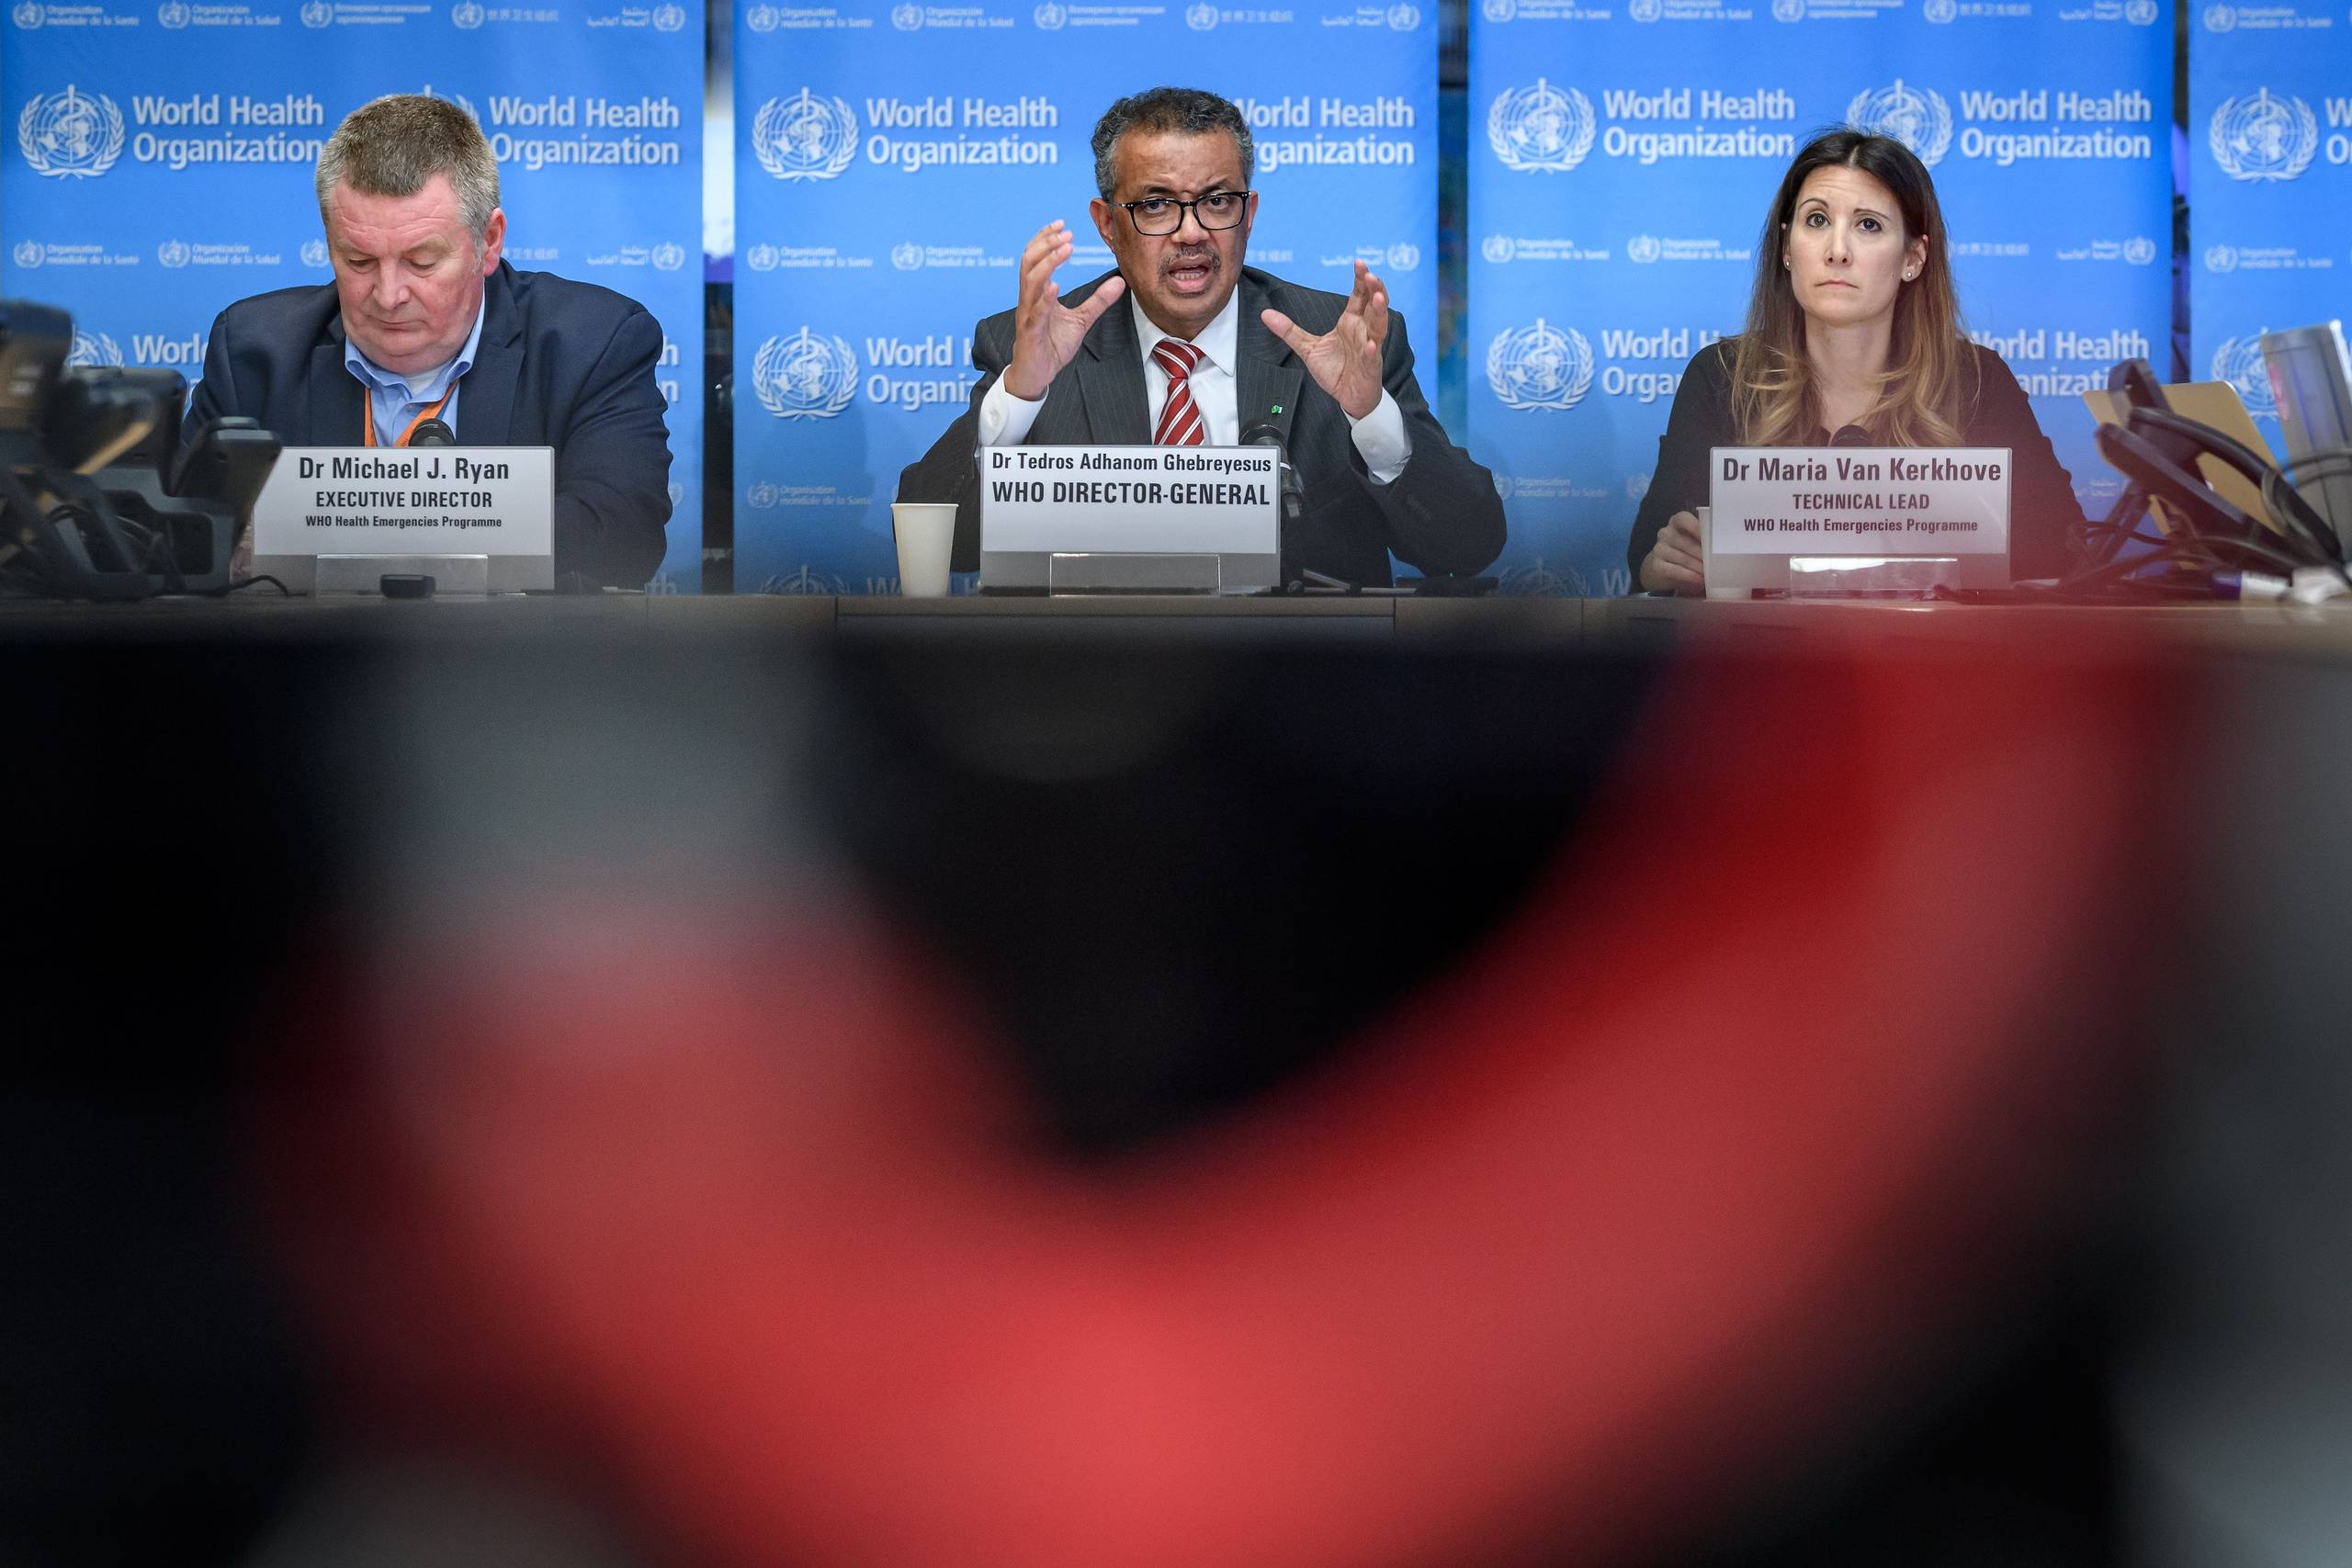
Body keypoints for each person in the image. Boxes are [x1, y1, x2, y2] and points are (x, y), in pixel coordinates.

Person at [899, 86, 1505, 586]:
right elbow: (940, 544)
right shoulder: (1032, 345)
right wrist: (1022, 394)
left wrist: (1370, 415)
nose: (1191, 233)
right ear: (1108, 224)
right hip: (1091, 698)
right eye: (1158, 205)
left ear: (1250, 212)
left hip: (1296, 699)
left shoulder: (1340, 342)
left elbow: (1469, 545)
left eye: (1217, 201)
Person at [184, 95, 672, 589]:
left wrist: (326, 532)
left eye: (421, 262)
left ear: (489, 241)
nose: (388, 295)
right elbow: (172, 539)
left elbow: (625, 536)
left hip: (515, 659)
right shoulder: (251, 351)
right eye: (358, 262)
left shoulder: (594, 342)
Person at [1629, 129, 2084, 593]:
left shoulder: (1977, 381)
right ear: (1787, 248)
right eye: (1817, 220)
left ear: (1913, 257)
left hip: (1937, 660)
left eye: (1868, 225)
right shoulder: (1723, 376)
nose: (1837, 250)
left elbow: (2059, 550)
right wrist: (1666, 565)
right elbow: (1648, 557)